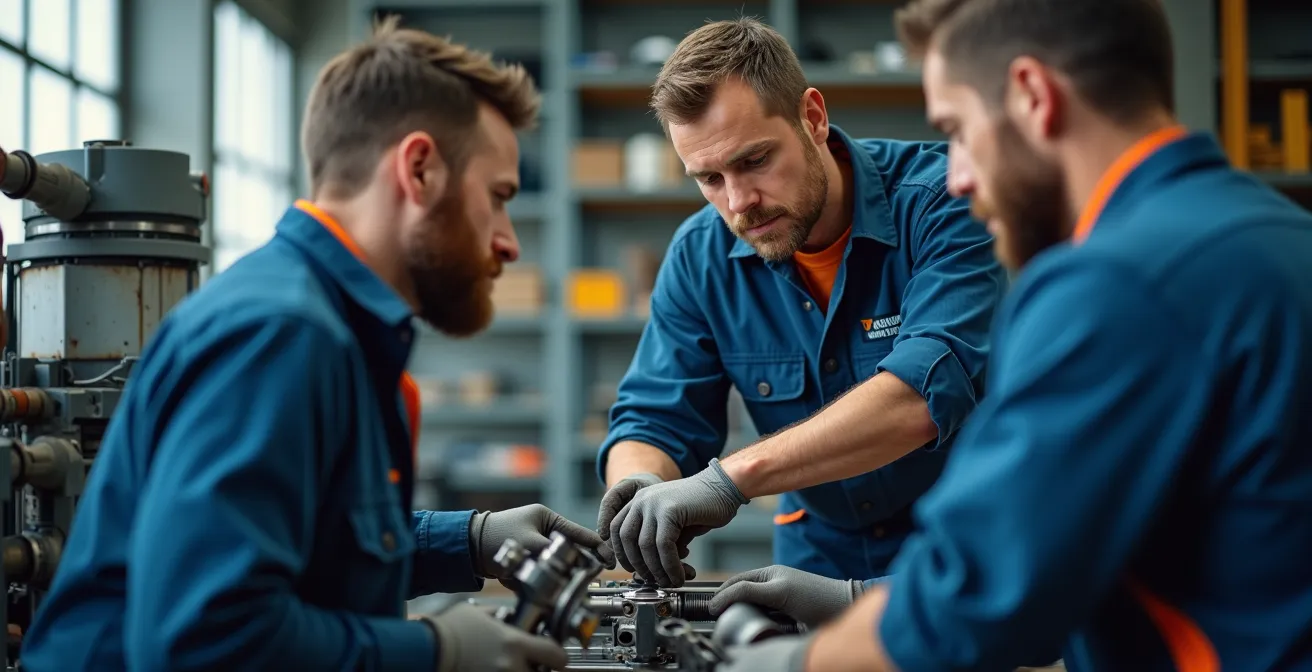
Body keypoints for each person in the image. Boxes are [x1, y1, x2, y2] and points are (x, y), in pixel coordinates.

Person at [712, 0, 1312, 670]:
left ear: (1032, 96)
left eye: (959, 130)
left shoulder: (1110, 285)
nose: (959, 176)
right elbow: (1073, 551)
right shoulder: (1279, 234)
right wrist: (860, 597)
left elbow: (980, 600)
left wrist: (794, 663)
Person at [20, 20, 604, 672]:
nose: (508, 242)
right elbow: (204, 641)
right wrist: (435, 652)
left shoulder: (329, 325)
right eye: (497, 198)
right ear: (419, 170)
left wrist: (470, 540)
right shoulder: (279, 335)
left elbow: (309, 547)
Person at [595, 17, 1008, 589]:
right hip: (817, 553)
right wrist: (641, 483)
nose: (739, 201)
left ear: (812, 117)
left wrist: (727, 481)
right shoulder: (699, 256)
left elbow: (920, 396)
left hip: (965, 540)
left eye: (754, 160)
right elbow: (656, 416)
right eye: (709, 178)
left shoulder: (945, 202)